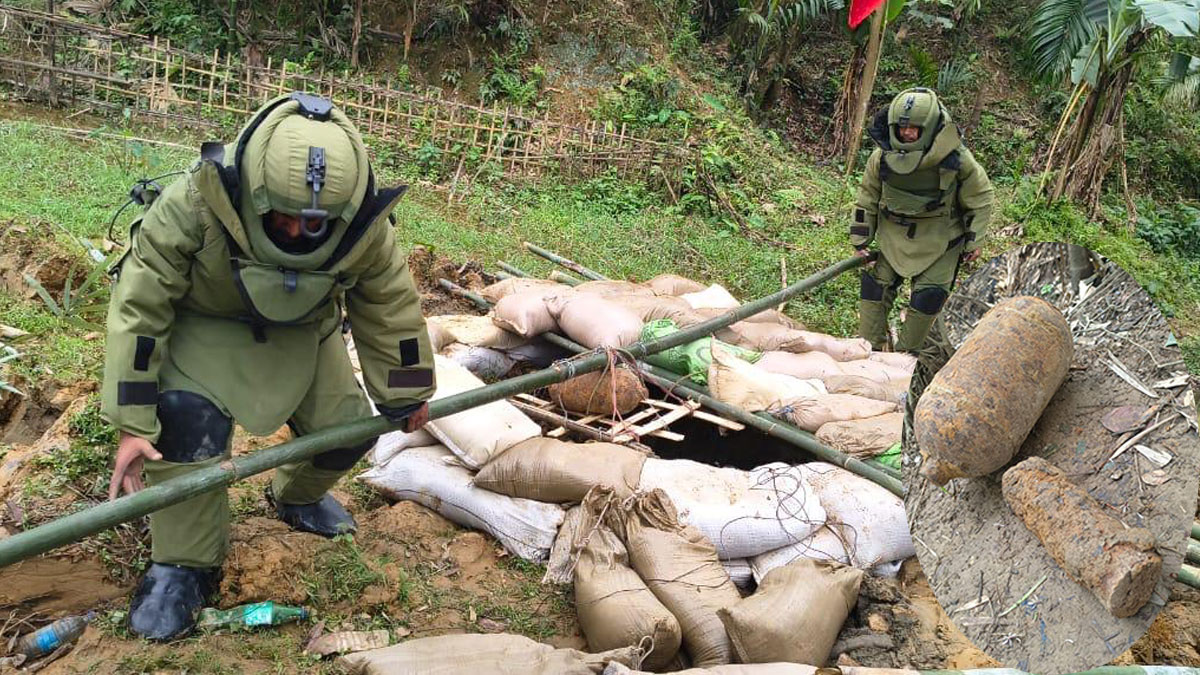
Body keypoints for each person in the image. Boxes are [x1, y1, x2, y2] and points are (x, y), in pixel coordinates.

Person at [100, 92, 436, 641]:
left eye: (315, 225)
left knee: (346, 430)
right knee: (184, 425)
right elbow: (140, 305)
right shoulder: (195, 202)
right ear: (253, 196)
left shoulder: (363, 226)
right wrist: (133, 419)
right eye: (285, 219)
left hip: (305, 328)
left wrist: (406, 391)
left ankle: (296, 496)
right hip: (203, 324)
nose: (299, 233)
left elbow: (390, 304)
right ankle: (183, 565)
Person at [850, 87, 994, 353]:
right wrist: (860, 238)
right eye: (901, 127)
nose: (906, 133)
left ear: (927, 127)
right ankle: (868, 350)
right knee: (875, 291)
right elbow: (867, 196)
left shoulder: (956, 158)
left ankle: (906, 359)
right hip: (893, 235)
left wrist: (975, 239)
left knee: (929, 298)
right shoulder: (881, 156)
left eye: (914, 128)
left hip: (941, 239)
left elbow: (981, 196)